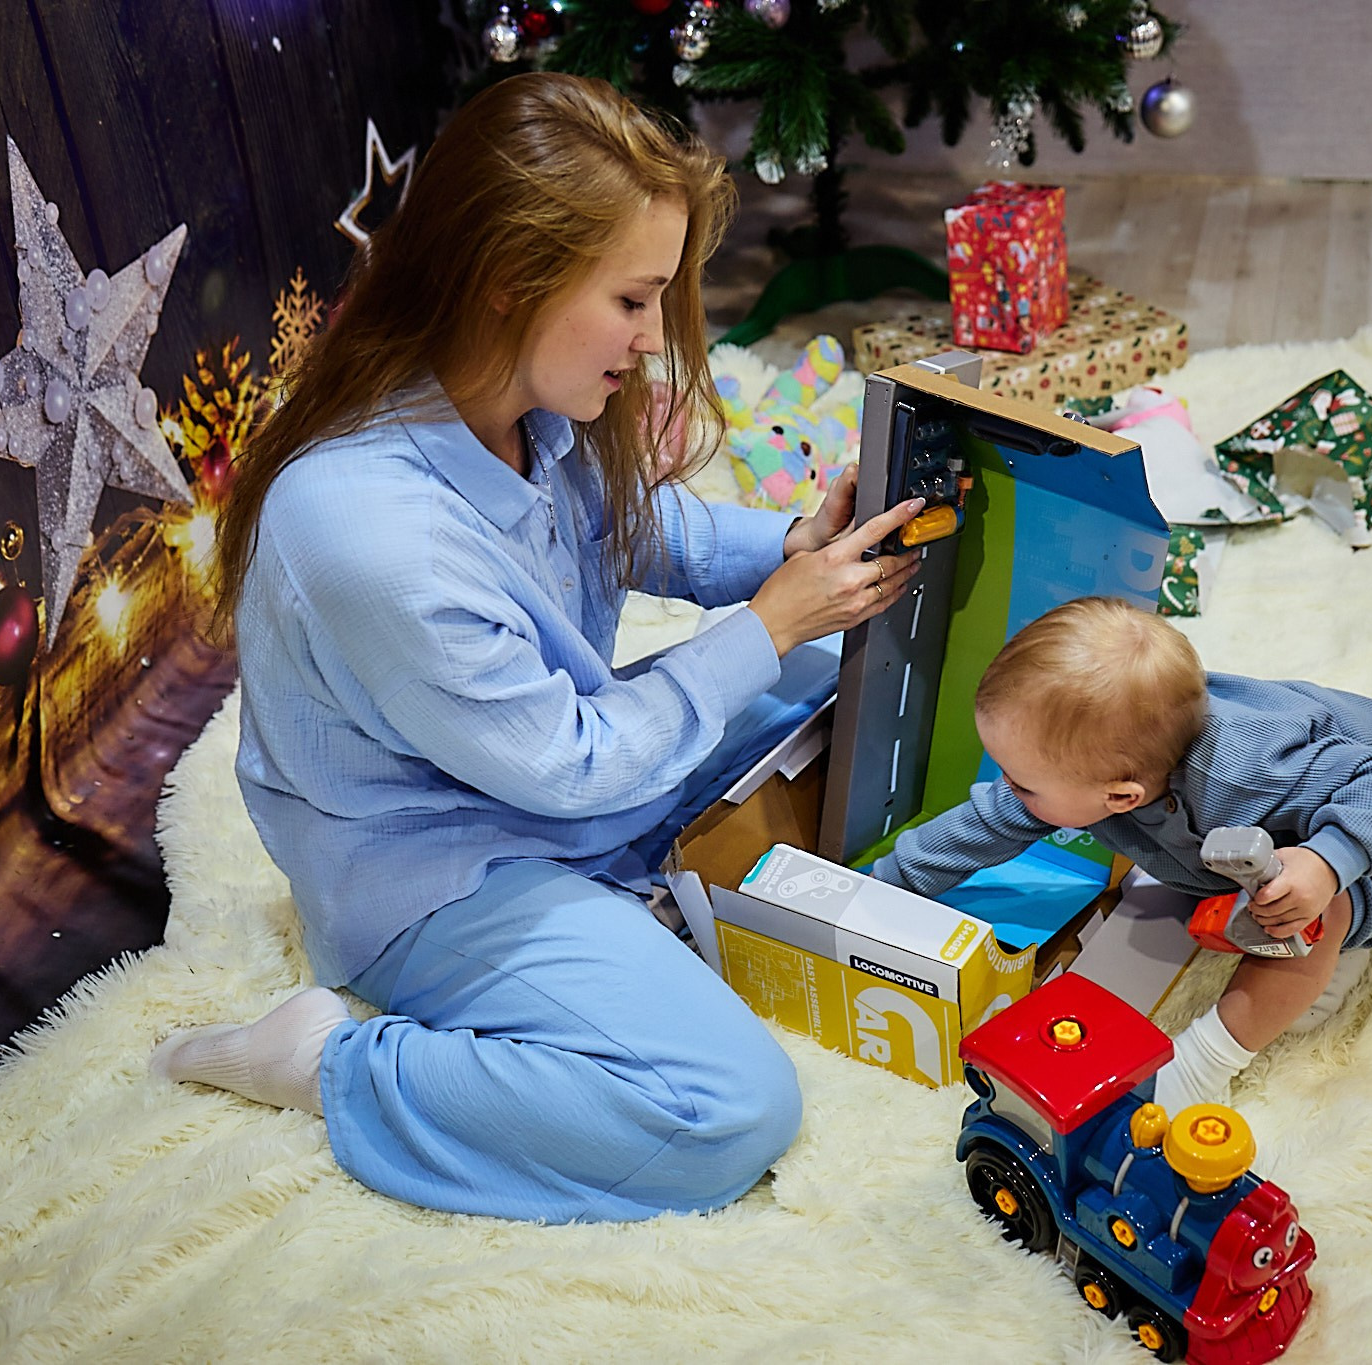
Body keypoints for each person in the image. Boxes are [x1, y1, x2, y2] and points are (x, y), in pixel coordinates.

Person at [149, 72, 925, 1222]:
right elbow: (573, 763)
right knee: (728, 1110)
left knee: (845, 675)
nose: (655, 341)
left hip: (572, 791)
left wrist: (797, 551)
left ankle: (649, 897)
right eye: (632, 300)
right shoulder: (370, 531)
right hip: (446, 876)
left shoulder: (517, 409)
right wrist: (767, 623)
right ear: (511, 282)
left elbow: (630, 529)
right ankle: (327, 1062)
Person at [872, 596, 1372, 1118]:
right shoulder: (1106, 759)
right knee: (1236, 896)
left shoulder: (1251, 770)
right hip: (1273, 830)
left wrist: (1326, 864)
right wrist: (879, 889)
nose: (1006, 788)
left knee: (1319, 911)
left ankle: (1203, 1064)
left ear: (1122, 796)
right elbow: (986, 823)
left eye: (1021, 781)